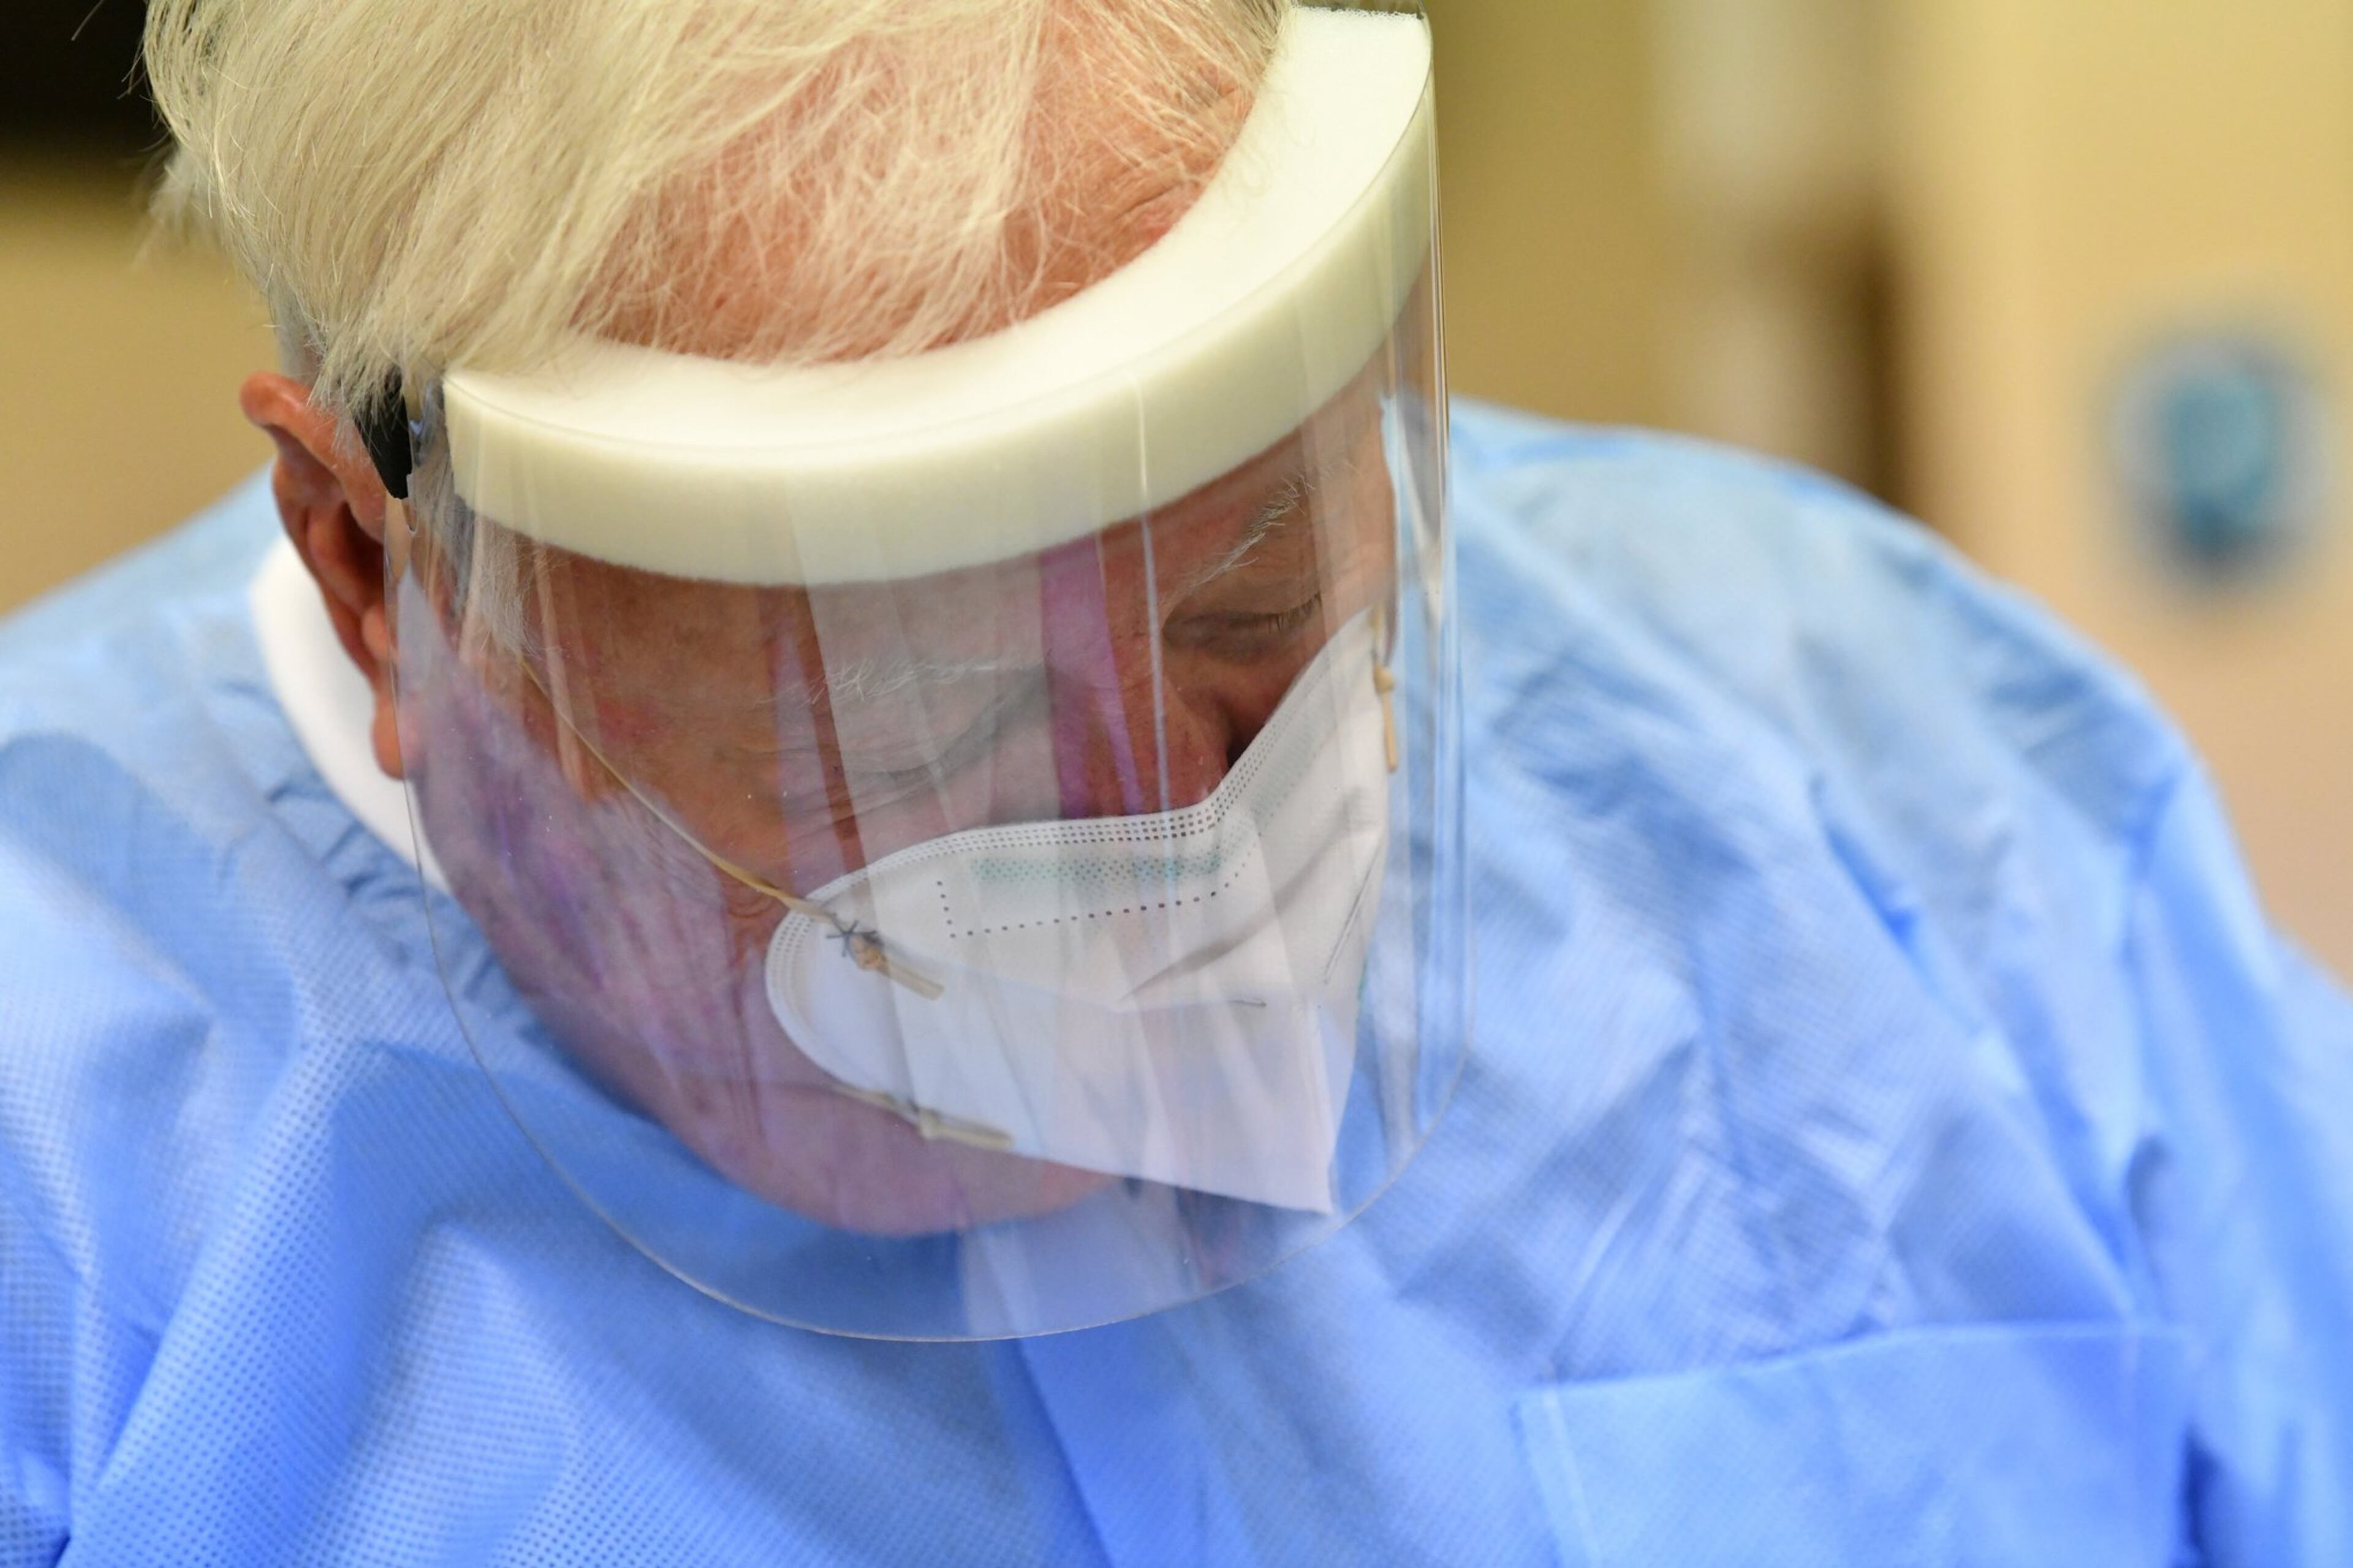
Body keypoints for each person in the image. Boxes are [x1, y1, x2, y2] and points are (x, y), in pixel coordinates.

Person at [3, 0, 2350, 1562]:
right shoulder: (76, 1195)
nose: (1200, 854)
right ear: (373, 574)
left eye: (1252, 612)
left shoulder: (1885, 763)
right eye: (936, 739)